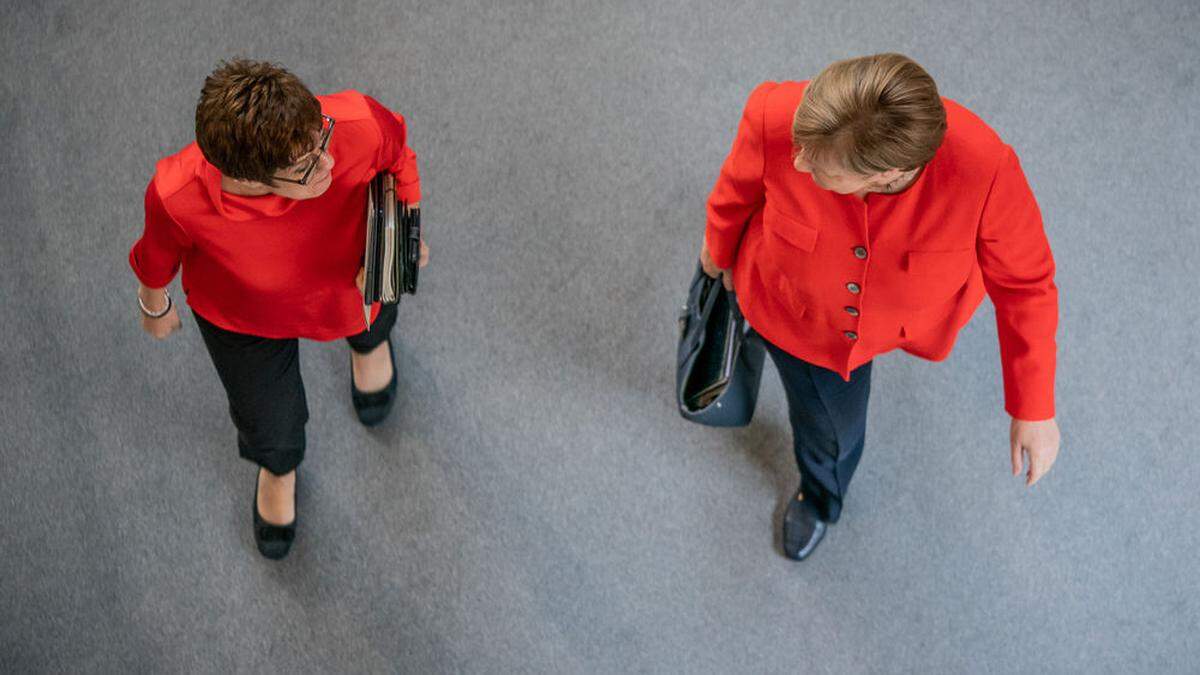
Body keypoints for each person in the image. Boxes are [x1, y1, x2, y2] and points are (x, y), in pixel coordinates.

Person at [701, 53, 1060, 561]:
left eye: (819, 168)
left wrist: (1034, 407)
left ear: (889, 173)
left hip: (867, 336)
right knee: (800, 392)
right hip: (783, 307)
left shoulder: (986, 173)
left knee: (832, 437)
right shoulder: (779, 113)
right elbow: (734, 194)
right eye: (799, 147)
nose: (797, 161)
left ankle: (820, 499)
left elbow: (1026, 284)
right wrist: (714, 260)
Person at [129, 59, 428, 560]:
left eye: (321, 138)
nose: (328, 162)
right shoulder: (177, 193)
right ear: (245, 178)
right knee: (269, 418)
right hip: (243, 314)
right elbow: (156, 257)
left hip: (344, 281)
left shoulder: (350, 122)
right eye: (306, 166)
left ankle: (370, 346)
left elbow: (400, 157)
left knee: (377, 304)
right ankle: (278, 467)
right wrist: (155, 307)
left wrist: (407, 228)